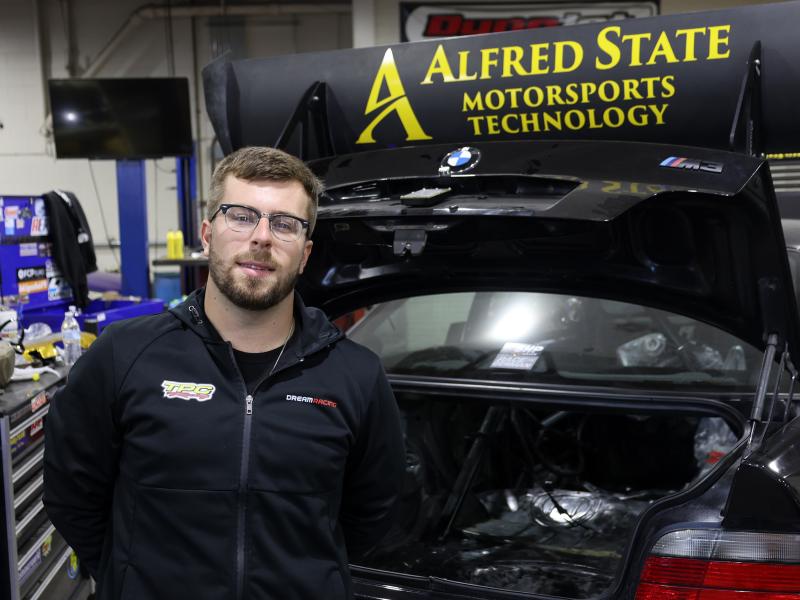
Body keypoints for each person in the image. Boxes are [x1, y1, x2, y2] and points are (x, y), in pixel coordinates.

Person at [43, 146, 406, 600]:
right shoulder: (124, 354)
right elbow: (70, 491)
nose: (261, 237)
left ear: (306, 252)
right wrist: (129, 576)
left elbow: (372, 513)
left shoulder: (355, 375)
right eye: (241, 216)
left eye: (284, 223)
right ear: (208, 233)